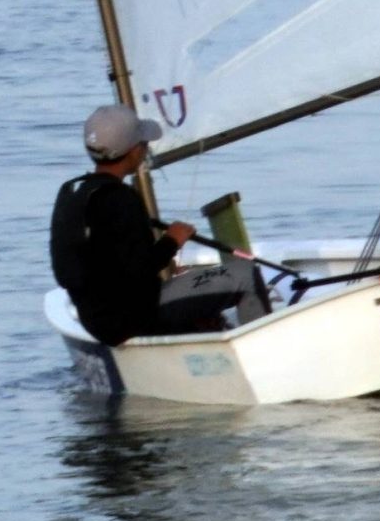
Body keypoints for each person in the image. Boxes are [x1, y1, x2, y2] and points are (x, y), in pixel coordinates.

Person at [49, 103, 252, 345]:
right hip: (134, 319)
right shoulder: (121, 198)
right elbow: (141, 269)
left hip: (96, 321)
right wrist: (173, 241)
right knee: (246, 274)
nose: (146, 148)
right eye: (144, 143)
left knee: (192, 294)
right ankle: (262, 352)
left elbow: (88, 265)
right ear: (134, 150)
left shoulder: (72, 192)